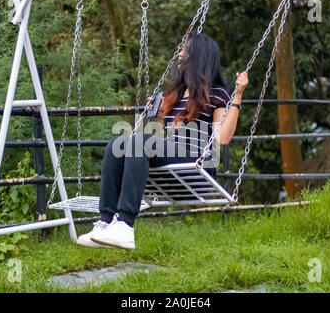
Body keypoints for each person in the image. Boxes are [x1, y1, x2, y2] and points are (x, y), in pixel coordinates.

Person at [77, 33, 249, 250]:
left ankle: (125, 225)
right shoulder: (175, 93)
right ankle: (107, 221)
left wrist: (238, 96)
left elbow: (223, 138)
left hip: (197, 168)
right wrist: (159, 115)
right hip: (174, 163)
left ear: (198, 56)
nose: (180, 53)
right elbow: (163, 136)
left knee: (138, 141)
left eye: (185, 50)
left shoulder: (218, 94)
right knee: (117, 144)